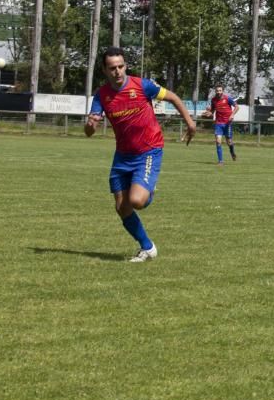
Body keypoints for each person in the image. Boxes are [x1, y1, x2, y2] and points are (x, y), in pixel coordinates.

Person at [85, 47, 196, 262]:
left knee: (136, 200)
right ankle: (148, 247)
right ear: (105, 71)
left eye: (120, 66)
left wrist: (190, 123)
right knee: (121, 207)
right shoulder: (102, 95)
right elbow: (89, 132)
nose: (117, 71)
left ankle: (148, 188)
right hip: (122, 156)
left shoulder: (142, 85)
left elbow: (173, 97)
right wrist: (90, 124)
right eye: (112, 68)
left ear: (125, 65)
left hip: (148, 150)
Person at [204, 85, 238, 165]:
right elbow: (212, 111)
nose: (218, 92)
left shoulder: (227, 98)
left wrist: (232, 115)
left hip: (227, 123)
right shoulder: (213, 100)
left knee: (229, 142)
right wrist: (209, 113)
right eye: (217, 91)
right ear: (215, 91)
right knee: (218, 142)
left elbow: (237, 107)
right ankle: (220, 161)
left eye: (220, 90)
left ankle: (232, 152)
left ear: (222, 91)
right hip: (218, 123)